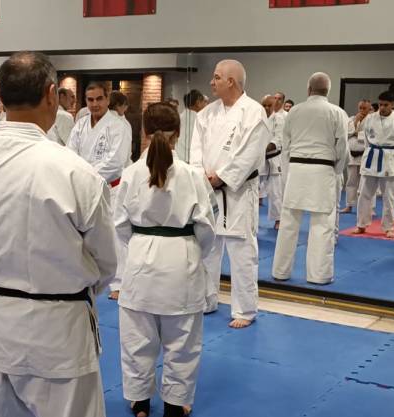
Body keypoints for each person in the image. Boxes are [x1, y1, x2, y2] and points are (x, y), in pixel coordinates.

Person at [0, 51, 116, 417]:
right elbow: (105, 261)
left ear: (1, 97)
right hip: (58, 329)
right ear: (52, 94)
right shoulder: (75, 173)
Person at [115, 102, 216, 417]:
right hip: (181, 257)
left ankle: (140, 402)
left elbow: (119, 225)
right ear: (179, 133)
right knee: (182, 341)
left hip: (141, 256)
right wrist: (193, 250)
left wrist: (142, 244)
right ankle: (175, 405)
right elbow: (207, 228)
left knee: (137, 339)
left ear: (143, 132)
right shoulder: (191, 175)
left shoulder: (130, 173)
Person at [189, 59, 270, 328]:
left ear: (231, 81)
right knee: (207, 248)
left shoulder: (254, 112)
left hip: (238, 191)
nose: (211, 82)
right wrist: (202, 176)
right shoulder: (206, 114)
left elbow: (251, 153)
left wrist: (221, 177)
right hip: (208, 190)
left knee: (242, 251)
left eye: (216, 78)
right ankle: (205, 300)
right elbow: (196, 150)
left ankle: (244, 310)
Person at [272, 72, 348, 284]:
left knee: (288, 223)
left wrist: (288, 173)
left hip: (296, 168)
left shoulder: (294, 112)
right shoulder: (337, 112)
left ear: (308, 90)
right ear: (328, 91)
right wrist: (337, 171)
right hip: (323, 170)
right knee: (322, 225)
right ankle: (319, 275)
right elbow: (342, 148)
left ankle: (280, 271)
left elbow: (285, 147)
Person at [68, 82, 132, 300]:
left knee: (114, 236)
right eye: (90, 100)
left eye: (99, 99)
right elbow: (70, 155)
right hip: (83, 186)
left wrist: (87, 178)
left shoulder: (119, 125)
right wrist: (80, 179)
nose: (94, 104)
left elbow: (116, 161)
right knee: (84, 233)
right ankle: (89, 276)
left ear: (107, 100)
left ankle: (119, 282)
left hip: (110, 188)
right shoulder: (80, 125)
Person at [352, 90, 394, 238]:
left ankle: (388, 227)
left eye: (386, 105)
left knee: (389, 196)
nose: (382, 107)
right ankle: (361, 224)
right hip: (372, 155)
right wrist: (368, 151)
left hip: (389, 158)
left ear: (393, 105)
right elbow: (365, 138)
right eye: (380, 104)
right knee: (364, 193)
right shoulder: (370, 119)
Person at [340, 99, 371, 214]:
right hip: (352, 155)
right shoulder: (352, 119)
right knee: (351, 181)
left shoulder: (372, 120)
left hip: (365, 154)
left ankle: (368, 208)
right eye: (360, 108)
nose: (362, 110)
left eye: (364, 108)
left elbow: (372, 136)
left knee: (366, 183)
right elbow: (345, 133)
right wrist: (355, 123)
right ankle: (349, 205)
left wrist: (359, 134)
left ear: (369, 109)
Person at [262, 95, 284, 229]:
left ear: (275, 105)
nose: (266, 108)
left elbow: (278, 139)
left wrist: (263, 150)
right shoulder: (258, 119)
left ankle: (279, 219)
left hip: (273, 159)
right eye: (264, 105)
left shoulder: (279, 119)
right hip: (258, 160)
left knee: (275, 191)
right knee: (252, 190)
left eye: (269, 105)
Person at [178, 89, 208, 162]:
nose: (207, 105)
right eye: (205, 102)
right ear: (198, 103)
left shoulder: (179, 117)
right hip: (193, 160)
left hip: (179, 157)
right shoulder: (200, 118)